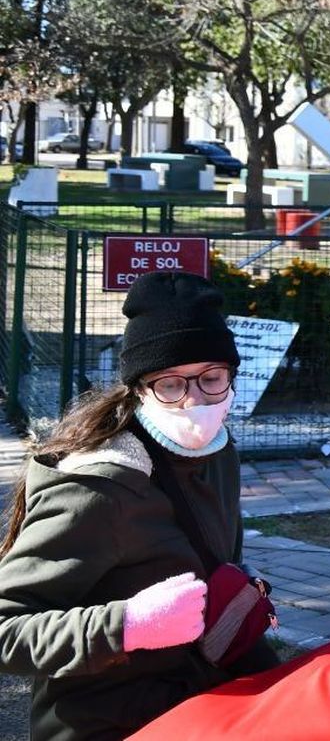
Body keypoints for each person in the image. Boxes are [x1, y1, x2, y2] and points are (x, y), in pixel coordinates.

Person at [0, 272, 278, 740]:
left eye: (212, 379)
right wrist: (126, 625)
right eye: (170, 384)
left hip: (200, 708)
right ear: (139, 388)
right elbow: (7, 629)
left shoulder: (217, 452)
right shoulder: (98, 486)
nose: (195, 400)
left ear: (232, 379)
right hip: (106, 726)